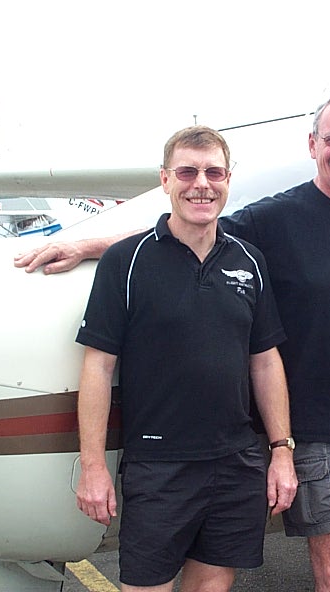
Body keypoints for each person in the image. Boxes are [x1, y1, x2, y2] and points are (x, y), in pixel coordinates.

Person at [16, 94, 330, 592]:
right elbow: (192, 227)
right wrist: (84, 243)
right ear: (313, 145)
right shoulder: (274, 218)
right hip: (319, 429)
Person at [74, 125, 297, 592]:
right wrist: (93, 466)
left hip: (235, 462)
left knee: (212, 585)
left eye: (214, 172)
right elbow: (98, 366)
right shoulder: (126, 262)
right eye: (188, 171)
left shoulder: (249, 261)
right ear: (165, 179)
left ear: (228, 179)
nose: (202, 183)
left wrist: (281, 452)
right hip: (159, 465)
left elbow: (265, 360)